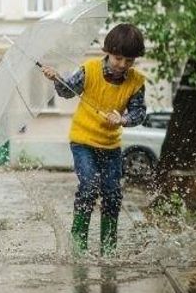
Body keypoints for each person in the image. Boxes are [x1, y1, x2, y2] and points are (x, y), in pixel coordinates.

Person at [41, 23, 147, 256]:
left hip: (111, 145)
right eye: (118, 58)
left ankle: (108, 248)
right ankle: (78, 247)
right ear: (107, 51)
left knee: (112, 193)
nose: (122, 65)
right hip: (83, 141)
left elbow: (139, 113)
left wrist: (124, 119)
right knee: (89, 186)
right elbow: (66, 91)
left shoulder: (136, 81)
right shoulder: (89, 70)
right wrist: (56, 78)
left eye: (129, 61)